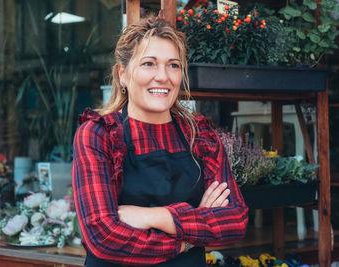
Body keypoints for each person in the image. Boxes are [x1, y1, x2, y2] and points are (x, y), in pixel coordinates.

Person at [72, 15, 248, 267]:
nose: (163, 76)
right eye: (149, 64)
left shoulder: (199, 136)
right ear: (123, 73)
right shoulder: (99, 135)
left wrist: (157, 216)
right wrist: (189, 236)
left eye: (173, 65)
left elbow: (235, 219)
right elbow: (104, 236)